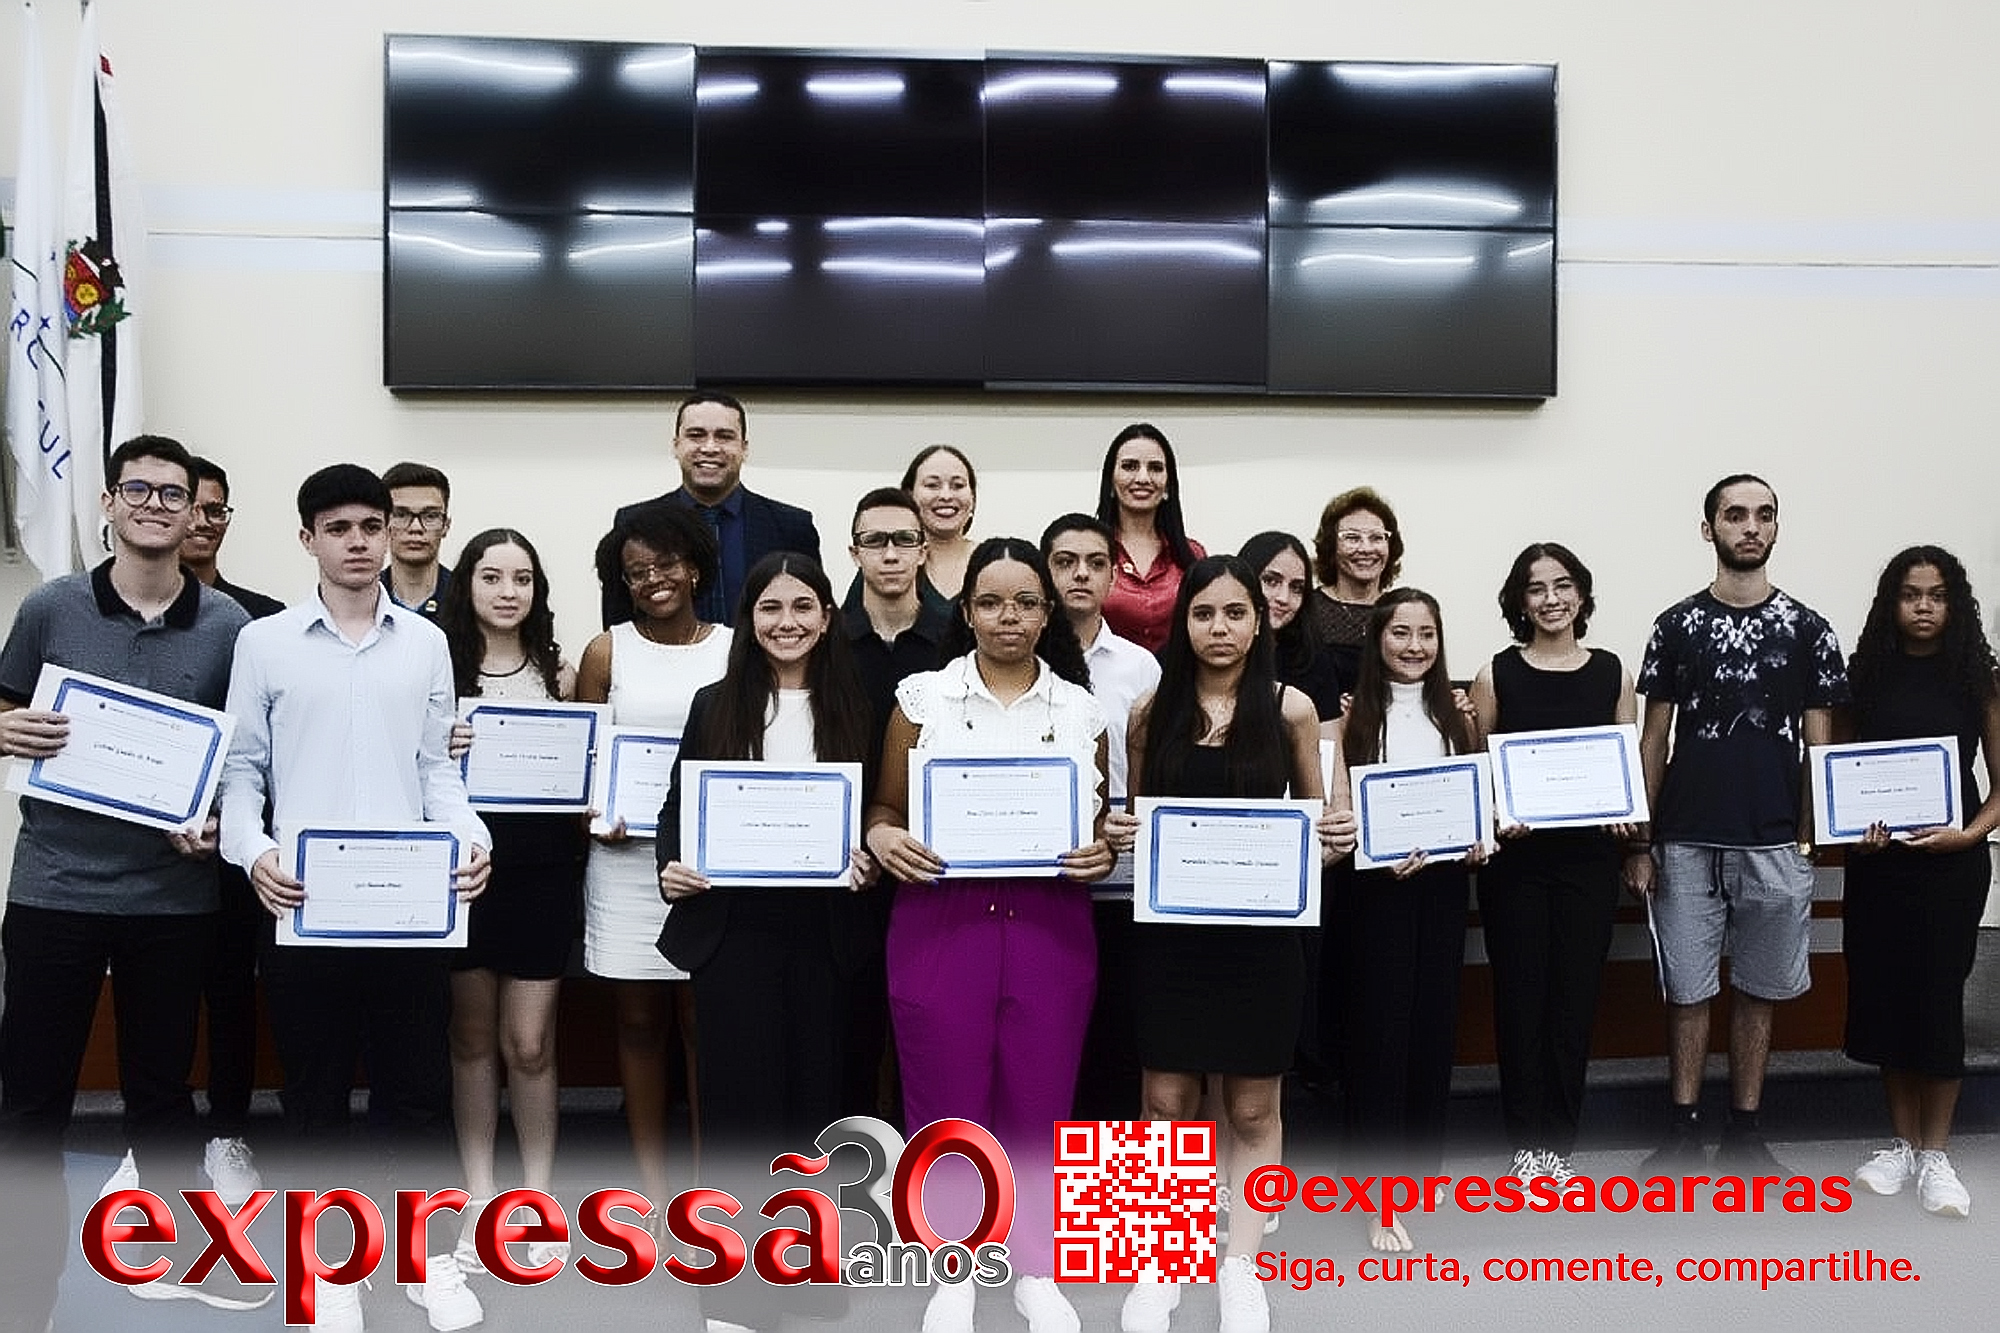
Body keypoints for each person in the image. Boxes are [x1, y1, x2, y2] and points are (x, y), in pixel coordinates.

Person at [219, 463, 492, 1330]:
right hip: (302, 907)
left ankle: (426, 1260)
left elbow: (435, 768)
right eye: (338, 528)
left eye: (371, 526)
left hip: (409, 912)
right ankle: (332, 1266)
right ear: (308, 539)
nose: (359, 542)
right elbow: (241, 771)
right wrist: (254, 852)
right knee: (316, 1094)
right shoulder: (264, 642)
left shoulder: (426, 642)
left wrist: (473, 838)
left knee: (417, 1092)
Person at [0, 435, 253, 1307]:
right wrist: (4, 728)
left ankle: (176, 1257)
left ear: (195, 512)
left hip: (171, 900)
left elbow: (242, 758)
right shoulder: (51, 606)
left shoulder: (229, 626)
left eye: (172, 493)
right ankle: (23, 1279)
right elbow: (6, 701)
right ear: (108, 503)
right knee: (33, 1100)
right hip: (54, 890)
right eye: (136, 489)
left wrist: (217, 821)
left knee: (161, 1097)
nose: (154, 505)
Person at [865, 537, 1114, 1333]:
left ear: (1048, 614)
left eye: (1026, 602)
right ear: (966, 610)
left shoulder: (1082, 711)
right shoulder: (922, 700)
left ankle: (1036, 1263)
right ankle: (956, 1265)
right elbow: (885, 808)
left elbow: (1101, 828)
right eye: (992, 602)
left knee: (1042, 1092)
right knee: (945, 1090)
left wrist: (1103, 851)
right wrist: (881, 836)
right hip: (941, 918)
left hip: (1050, 920)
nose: (1010, 616)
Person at [1116, 555, 1355, 1333]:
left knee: (1253, 1106)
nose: (1219, 628)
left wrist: (1335, 838)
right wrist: (1117, 829)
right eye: (1203, 613)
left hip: (1261, 940)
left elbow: (1316, 830)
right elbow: (1136, 824)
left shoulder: (1290, 709)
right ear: (1182, 622)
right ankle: (1159, 1260)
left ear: (1260, 622)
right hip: (1172, 938)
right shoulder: (1150, 711)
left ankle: (1240, 1264)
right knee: (1165, 1100)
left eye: (1235, 613)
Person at [656, 554, 881, 1331]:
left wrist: (868, 856)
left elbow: (881, 813)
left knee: (818, 1107)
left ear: (827, 616)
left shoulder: (861, 705)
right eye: (770, 608)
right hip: (735, 931)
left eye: (803, 606)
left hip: (826, 934)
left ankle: (809, 1277)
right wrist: (671, 866)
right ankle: (734, 1294)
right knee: (739, 1112)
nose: (787, 621)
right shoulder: (715, 702)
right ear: (749, 620)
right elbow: (676, 809)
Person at [1628, 474, 1847, 1174]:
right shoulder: (1675, 626)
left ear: (1776, 527)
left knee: (1760, 989)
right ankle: (1682, 1127)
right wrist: (1642, 839)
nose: (1750, 526)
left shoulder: (1810, 630)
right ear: (1709, 528)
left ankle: (1746, 1130)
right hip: (1686, 839)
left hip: (1776, 840)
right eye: (1735, 515)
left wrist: (1810, 838)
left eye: (1764, 515)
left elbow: (1820, 744)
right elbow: (1653, 740)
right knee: (1688, 989)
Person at [437, 529, 589, 1272]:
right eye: (491, 576)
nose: (507, 591)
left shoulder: (561, 672)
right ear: (466, 584)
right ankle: (479, 1197)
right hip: (465, 871)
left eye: (522, 578)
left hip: (544, 872)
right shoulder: (438, 669)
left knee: (530, 1043)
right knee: (471, 1039)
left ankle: (537, 1198)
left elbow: (589, 769)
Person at [574, 502, 731, 1211]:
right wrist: (593, 811)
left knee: (705, 1025)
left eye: (665, 563)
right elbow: (587, 763)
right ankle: (653, 1195)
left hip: (707, 867)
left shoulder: (734, 647)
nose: (652, 579)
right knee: (638, 1025)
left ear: (694, 566)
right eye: (635, 571)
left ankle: (705, 1195)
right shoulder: (606, 653)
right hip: (625, 864)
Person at [1469, 542, 1638, 1185]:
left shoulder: (1612, 672)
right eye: (1536, 588)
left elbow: (1625, 760)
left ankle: (1558, 1147)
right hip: (1517, 865)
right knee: (1520, 1002)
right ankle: (1525, 1145)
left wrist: (1628, 818)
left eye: (1563, 585)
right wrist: (1497, 813)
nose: (1551, 599)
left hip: (1589, 863)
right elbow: (1481, 768)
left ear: (1581, 594)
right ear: (1520, 601)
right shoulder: (1496, 673)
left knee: (1573, 1003)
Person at [1838, 547, 2000, 1218]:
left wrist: (1970, 833)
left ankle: (1937, 1155)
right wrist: (1852, 830)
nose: (1925, 607)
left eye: (1937, 595)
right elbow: (1838, 768)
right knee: (1887, 998)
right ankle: (1902, 1144)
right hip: (1879, 866)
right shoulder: (1864, 675)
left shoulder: (1978, 677)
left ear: (1954, 603)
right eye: (1911, 595)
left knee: (1936, 1002)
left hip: (1951, 866)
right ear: (1892, 602)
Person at [1328, 587, 1486, 1253]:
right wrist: (1375, 848)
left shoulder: (1457, 717)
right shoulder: (1350, 721)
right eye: (1401, 633)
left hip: (1444, 889)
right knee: (1381, 1037)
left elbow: (1475, 801)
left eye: (1427, 634)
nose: (1415, 646)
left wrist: (1478, 839)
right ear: (1377, 639)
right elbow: (1338, 817)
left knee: (1432, 1028)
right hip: (1377, 892)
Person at [179, 454, 285, 1206]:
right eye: (191, 505)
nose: (202, 521)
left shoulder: (263, 618)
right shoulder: (129, 607)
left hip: (240, 837)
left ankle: (227, 1132)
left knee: (231, 988)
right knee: (160, 991)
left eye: (216, 509)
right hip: (152, 841)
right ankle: (152, 1136)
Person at [1040, 512, 1160, 1121]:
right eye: (1065, 562)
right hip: (1038, 881)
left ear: (1114, 577)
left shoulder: (1141, 667)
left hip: (1122, 884)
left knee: (1119, 1044)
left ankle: (1114, 1186)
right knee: (1053, 1046)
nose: (1080, 575)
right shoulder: (1020, 658)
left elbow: (1155, 772)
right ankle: (1043, 1179)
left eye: (1095, 563)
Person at [841, 487, 952, 1120]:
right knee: (853, 1031)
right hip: (846, 863)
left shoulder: (954, 640)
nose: (890, 553)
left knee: (931, 1033)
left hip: (937, 862)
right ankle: (858, 1166)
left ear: (924, 550)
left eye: (903, 540)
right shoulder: (824, 636)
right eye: (875, 541)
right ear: (853, 551)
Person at [1237, 531, 1344, 1100]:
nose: (1282, 597)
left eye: (1297, 588)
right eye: (1270, 581)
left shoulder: (1311, 662)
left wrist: (1337, 824)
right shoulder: (1197, 659)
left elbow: (1330, 758)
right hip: (1214, 866)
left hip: (1290, 863)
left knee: (1280, 1023)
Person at [605, 391, 821, 627]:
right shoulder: (633, 524)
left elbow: (810, 615)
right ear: (676, 446)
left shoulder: (791, 526)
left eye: (724, 436)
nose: (710, 447)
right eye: (696, 435)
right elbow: (618, 624)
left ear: (744, 448)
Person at [1095, 423, 1205, 653]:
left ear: (1168, 486)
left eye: (1155, 468)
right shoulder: (1089, 553)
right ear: (1110, 482)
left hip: (1176, 674)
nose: (1143, 478)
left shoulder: (1193, 555)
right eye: (1130, 466)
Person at [1304, 487, 1404, 693]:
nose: (1366, 549)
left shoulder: (1403, 611)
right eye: (1352, 537)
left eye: (1377, 538)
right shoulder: (1306, 610)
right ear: (1331, 547)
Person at [903, 443, 977, 604]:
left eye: (958, 485)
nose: (946, 496)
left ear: (972, 497)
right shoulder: (889, 562)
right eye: (932, 485)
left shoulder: (993, 561)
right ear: (909, 495)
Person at [380, 460, 453, 619]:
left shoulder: (469, 597)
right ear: (382, 524)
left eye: (430, 516)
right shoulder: (361, 597)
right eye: (400, 515)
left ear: (446, 525)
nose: (415, 528)